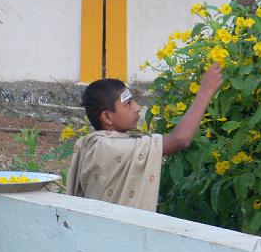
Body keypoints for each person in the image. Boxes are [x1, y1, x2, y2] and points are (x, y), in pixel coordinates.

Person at [66, 63, 223, 212]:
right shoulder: (108, 147)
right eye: (128, 104)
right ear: (107, 117)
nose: (137, 108)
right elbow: (180, 139)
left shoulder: (97, 142)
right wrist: (205, 91)